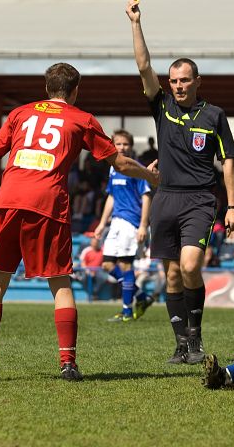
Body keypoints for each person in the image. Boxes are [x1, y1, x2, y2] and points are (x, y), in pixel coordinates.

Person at [0, 62, 158, 381]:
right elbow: (118, 162)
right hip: (47, 203)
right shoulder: (81, 119)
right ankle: (68, 364)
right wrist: (149, 174)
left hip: (8, 200)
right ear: (76, 90)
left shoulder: (19, 114)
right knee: (60, 282)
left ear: (46, 88)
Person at [127, 0, 234, 365]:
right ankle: (181, 344)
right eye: (173, 80)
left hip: (200, 200)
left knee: (191, 266)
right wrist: (135, 23)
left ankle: (196, 338)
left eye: (183, 80)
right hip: (165, 199)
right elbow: (144, 65)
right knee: (172, 275)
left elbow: (228, 162)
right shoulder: (161, 106)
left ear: (197, 81)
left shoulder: (214, 115)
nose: (177, 86)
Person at [93, 129, 155, 322]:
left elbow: (146, 197)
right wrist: (102, 223)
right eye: (118, 144)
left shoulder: (136, 169)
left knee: (126, 266)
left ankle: (127, 312)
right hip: (116, 223)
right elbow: (111, 196)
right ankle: (142, 297)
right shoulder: (114, 168)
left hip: (131, 222)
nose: (122, 147)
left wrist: (144, 225)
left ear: (131, 146)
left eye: (125, 144)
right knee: (107, 264)